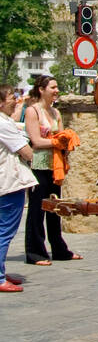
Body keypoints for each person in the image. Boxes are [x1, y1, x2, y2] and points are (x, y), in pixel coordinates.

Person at [23, 75, 82, 264]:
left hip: (55, 167)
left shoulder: (56, 113)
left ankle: (59, 250)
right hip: (39, 166)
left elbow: (61, 136)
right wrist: (56, 141)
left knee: (55, 209)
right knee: (37, 210)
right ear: (41, 89)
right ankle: (35, 253)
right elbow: (37, 141)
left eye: (57, 87)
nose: (56, 90)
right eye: (53, 87)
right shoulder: (33, 111)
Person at [0, 85, 37, 291]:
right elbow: (26, 152)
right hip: (8, 183)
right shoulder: (3, 124)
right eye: (11, 97)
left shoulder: (6, 121)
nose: (16, 100)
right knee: (5, 231)